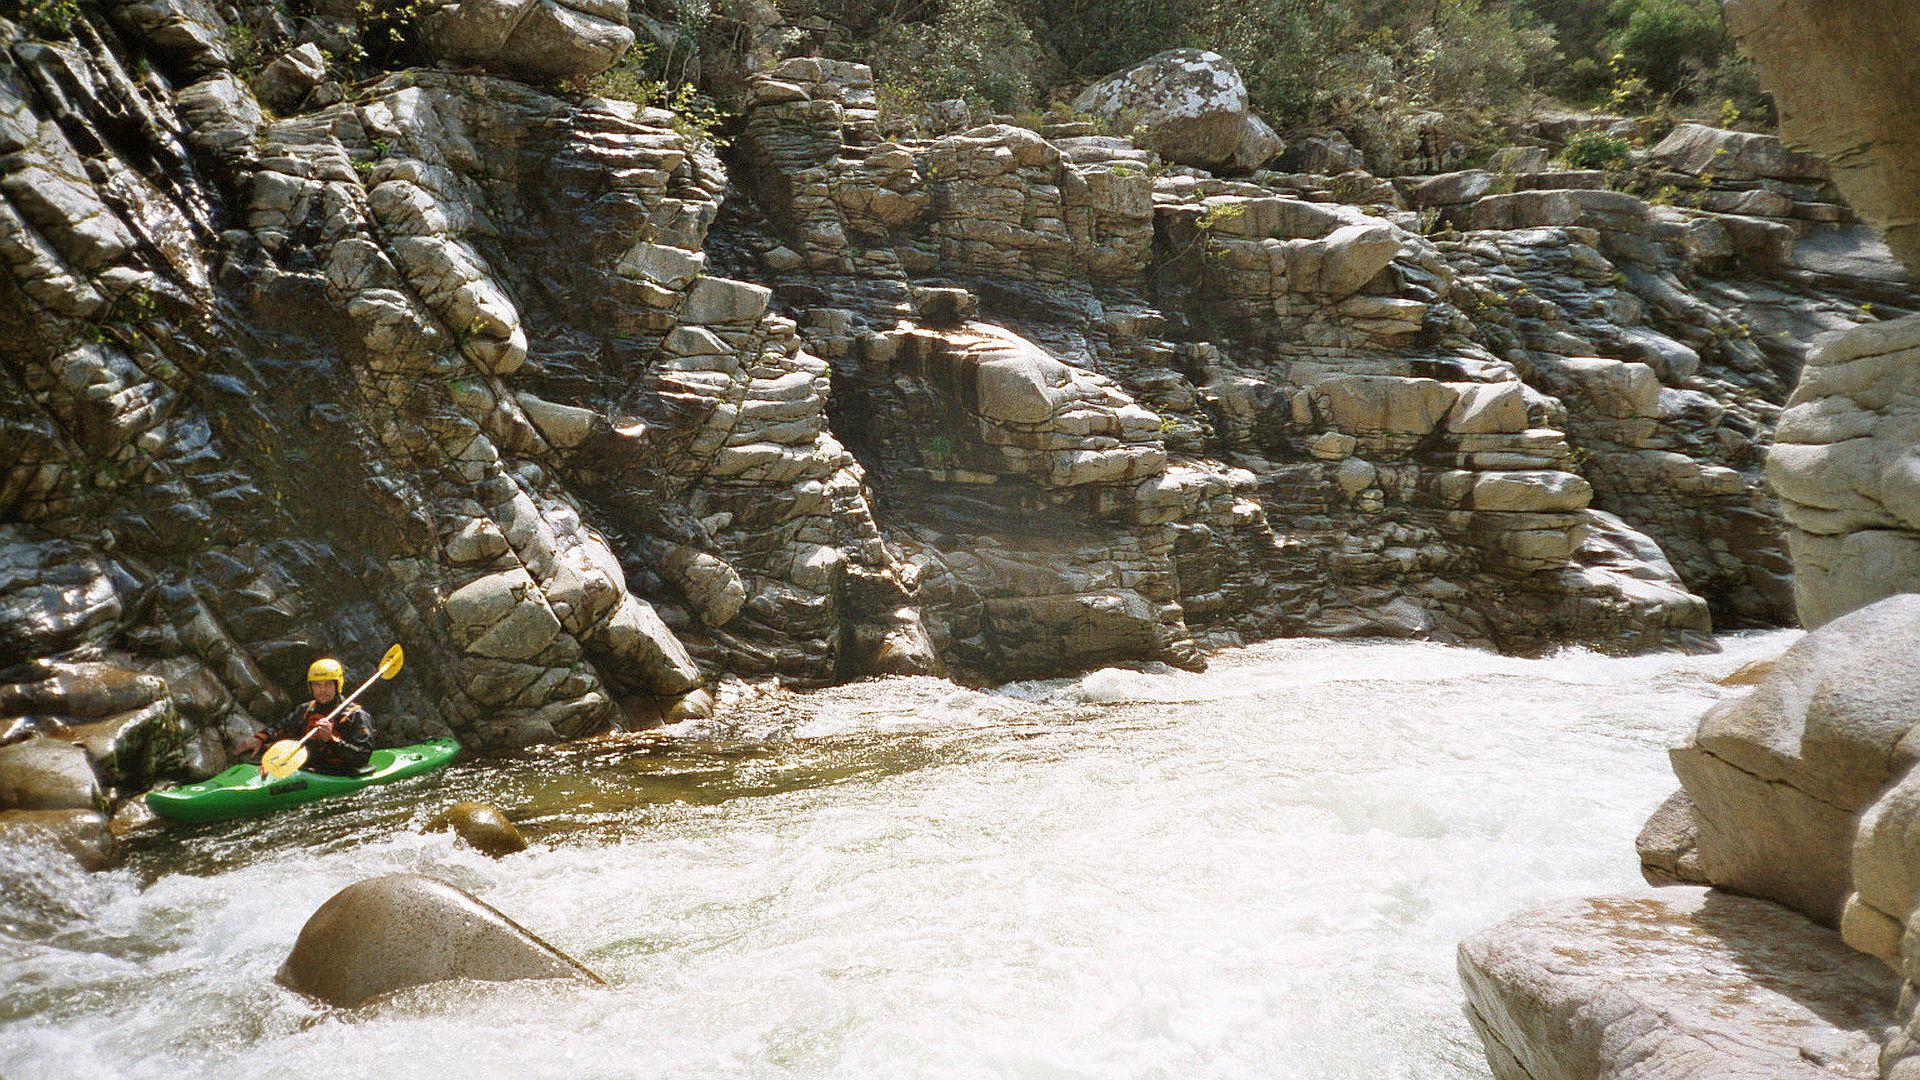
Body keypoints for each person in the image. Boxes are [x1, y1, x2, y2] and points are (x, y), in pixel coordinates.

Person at [235, 658, 375, 776]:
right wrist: (260, 738)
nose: (322, 690)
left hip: (342, 772)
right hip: (310, 768)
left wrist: (331, 740)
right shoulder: (306, 710)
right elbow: (282, 728)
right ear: (311, 687)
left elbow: (362, 756)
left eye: (328, 684)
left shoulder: (356, 715)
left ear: (337, 685)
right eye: (317, 685)